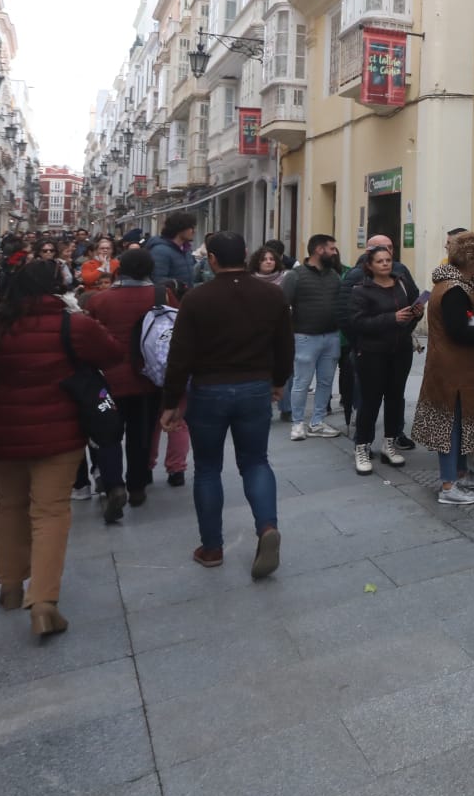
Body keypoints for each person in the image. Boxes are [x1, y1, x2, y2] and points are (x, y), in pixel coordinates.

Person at [0, 259, 128, 638]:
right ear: (54, 288)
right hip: (59, 433)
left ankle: (10, 586)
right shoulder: (72, 325)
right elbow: (113, 354)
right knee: (50, 512)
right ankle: (43, 602)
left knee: (9, 506)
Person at [158, 232, 290, 577]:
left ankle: (212, 547)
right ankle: (267, 526)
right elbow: (284, 344)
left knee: (207, 468)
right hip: (255, 388)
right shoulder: (271, 294)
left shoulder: (196, 299)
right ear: (246, 254)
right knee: (256, 461)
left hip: (209, 390)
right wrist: (278, 381)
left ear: (212, 259)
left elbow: (180, 355)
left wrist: (171, 401)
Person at [411, 232, 474, 505]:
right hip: (453, 371)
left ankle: (460, 473)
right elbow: (458, 330)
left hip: (461, 369)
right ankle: (449, 485)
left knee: (460, 423)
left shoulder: (461, 283)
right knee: (451, 425)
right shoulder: (454, 289)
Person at [83, 248, 175, 512]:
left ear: (119, 270)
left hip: (107, 381)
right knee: (141, 434)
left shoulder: (99, 300)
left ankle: (113, 484)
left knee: (108, 434)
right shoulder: (162, 295)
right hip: (147, 377)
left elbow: (89, 336)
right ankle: (137, 485)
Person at [347, 243, 422, 474]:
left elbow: (407, 319)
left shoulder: (401, 283)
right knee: (370, 400)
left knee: (395, 398)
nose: (385, 264)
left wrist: (415, 315)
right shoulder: (361, 290)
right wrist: (391, 318)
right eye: (380, 261)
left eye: (388, 260)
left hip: (400, 351)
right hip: (372, 353)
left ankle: (389, 443)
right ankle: (362, 446)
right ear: (369, 265)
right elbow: (357, 322)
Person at [280, 235, 345, 441]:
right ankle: (298, 423)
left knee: (326, 382)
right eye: (331, 249)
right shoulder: (295, 276)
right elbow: (282, 306)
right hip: (305, 337)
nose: (334, 253)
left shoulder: (334, 276)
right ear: (319, 250)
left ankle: (317, 422)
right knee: (302, 382)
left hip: (331, 336)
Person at [146, 212, 197, 293]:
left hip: (186, 297)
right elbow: (157, 279)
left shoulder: (186, 250)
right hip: (170, 297)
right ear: (180, 229)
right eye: (191, 228)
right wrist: (178, 287)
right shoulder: (160, 251)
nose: (194, 231)